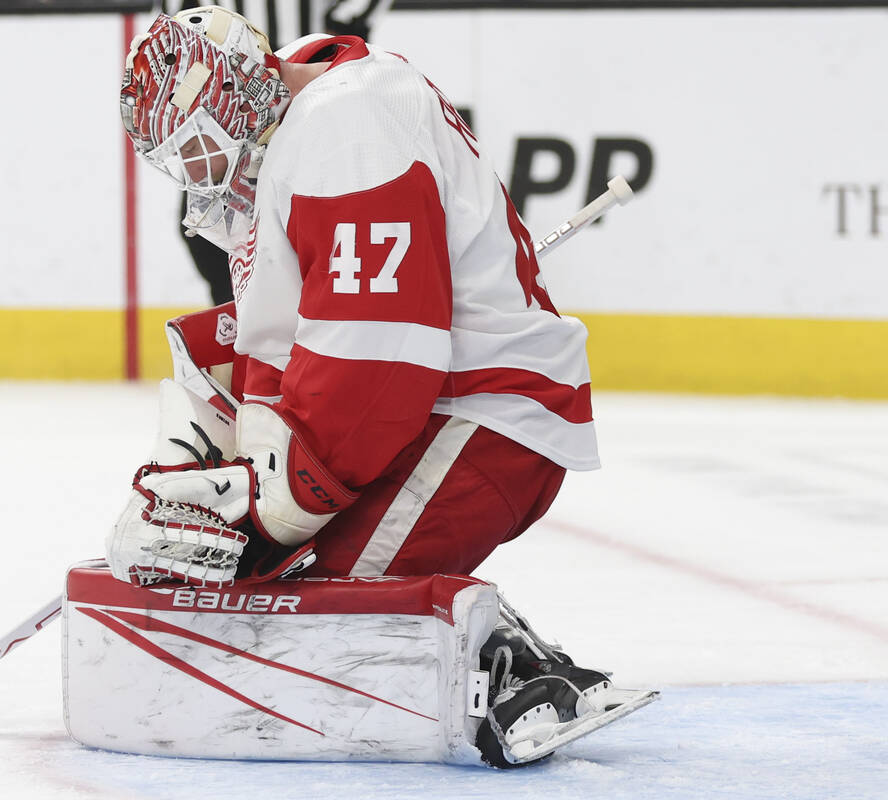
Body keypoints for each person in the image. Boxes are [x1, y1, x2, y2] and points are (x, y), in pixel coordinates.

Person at [109, 7, 652, 767]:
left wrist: (273, 511)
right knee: (280, 577)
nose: (201, 170)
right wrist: (242, 470)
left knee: (315, 610)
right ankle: (494, 641)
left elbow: (378, 362)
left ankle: (508, 672)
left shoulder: (344, 130)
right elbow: (284, 341)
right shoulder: (291, 120)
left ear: (236, 100)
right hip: (429, 409)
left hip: (484, 414)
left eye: (202, 143)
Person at [158, 0, 393, 304]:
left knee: (315, 223)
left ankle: (313, 326)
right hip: (225, 109)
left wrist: (342, 27)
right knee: (212, 232)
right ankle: (245, 336)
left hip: (306, 92)